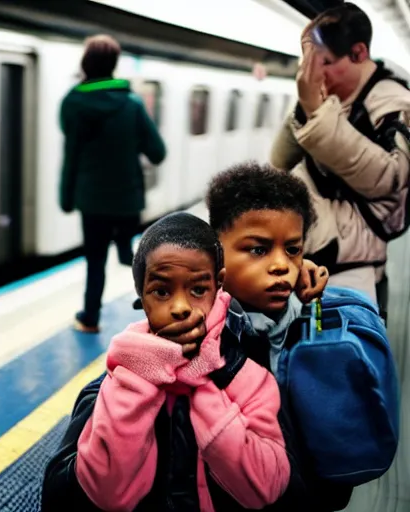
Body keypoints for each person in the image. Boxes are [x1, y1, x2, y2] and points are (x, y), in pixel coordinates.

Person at [42, 211, 292, 511]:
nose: (180, 307)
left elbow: (265, 487)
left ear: (219, 285)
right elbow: (107, 493)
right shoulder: (115, 386)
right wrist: (139, 379)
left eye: (198, 290)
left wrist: (202, 380)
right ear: (141, 296)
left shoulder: (250, 379)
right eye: (161, 291)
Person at [205, 161, 359, 511]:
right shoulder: (200, 333)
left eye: (293, 249)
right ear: (214, 250)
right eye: (258, 249)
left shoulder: (305, 317)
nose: (281, 266)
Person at [270, 2, 410, 321]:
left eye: (326, 63)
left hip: (354, 271)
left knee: (340, 354)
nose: (316, 75)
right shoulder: (331, 97)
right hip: (315, 261)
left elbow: (390, 177)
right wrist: (308, 109)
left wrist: (319, 116)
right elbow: (279, 159)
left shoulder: (395, 103)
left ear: (359, 53)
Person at [59, 34, 166, 333]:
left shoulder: (72, 103)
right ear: (114, 64)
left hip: (91, 200)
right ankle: (158, 315)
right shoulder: (131, 104)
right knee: (133, 258)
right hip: (127, 200)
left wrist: (66, 197)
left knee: (95, 261)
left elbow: (72, 155)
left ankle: (90, 318)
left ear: (86, 62)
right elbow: (157, 152)